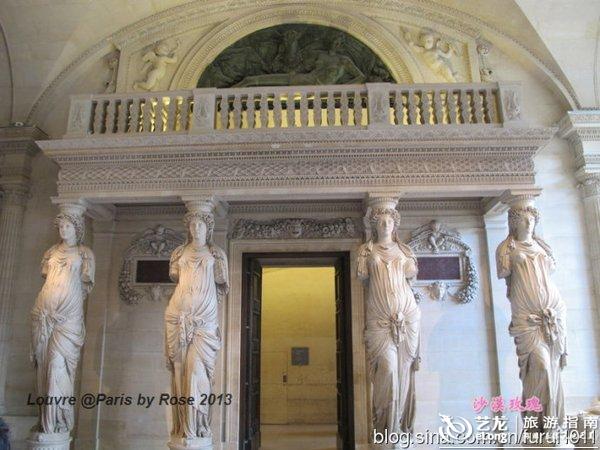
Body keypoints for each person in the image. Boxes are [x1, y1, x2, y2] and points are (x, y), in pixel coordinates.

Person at [496, 205, 567, 430]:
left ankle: (552, 426)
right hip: (526, 318)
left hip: (553, 313)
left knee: (553, 368)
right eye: (523, 219)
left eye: (532, 220)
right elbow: (502, 271)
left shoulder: (542, 246)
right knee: (540, 366)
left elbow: (552, 269)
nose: (528, 224)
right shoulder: (507, 248)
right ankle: (536, 423)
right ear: (514, 222)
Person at [164, 211, 229, 441]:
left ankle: (199, 425)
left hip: (205, 322)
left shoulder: (216, 254)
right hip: (177, 317)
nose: (196, 229)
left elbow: (222, 281)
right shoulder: (179, 253)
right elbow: (175, 276)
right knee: (180, 372)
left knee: (196, 372)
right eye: (192, 225)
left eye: (200, 225)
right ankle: (183, 428)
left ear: (208, 228)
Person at [357, 206, 421, 439]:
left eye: (389, 222)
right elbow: (363, 276)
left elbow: (411, 275)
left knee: (403, 372)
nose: (385, 225)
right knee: (387, 369)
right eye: (381, 222)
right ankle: (384, 427)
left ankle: (398, 428)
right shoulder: (366, 251)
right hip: (379, 319)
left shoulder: (405, 250)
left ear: (395, 225)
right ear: (374, 225)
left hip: (407, 318)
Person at [30, 212, 95, 434]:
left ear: (77, 229)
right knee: (43, 365)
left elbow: (85, 285)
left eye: (68, 226)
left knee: (58, 365)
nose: (63, 230)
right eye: (61, 226)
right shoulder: (50, 252)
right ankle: (45, 422)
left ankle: (58, 421)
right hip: (44, 314)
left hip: (68, 319)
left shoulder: (85, 254)